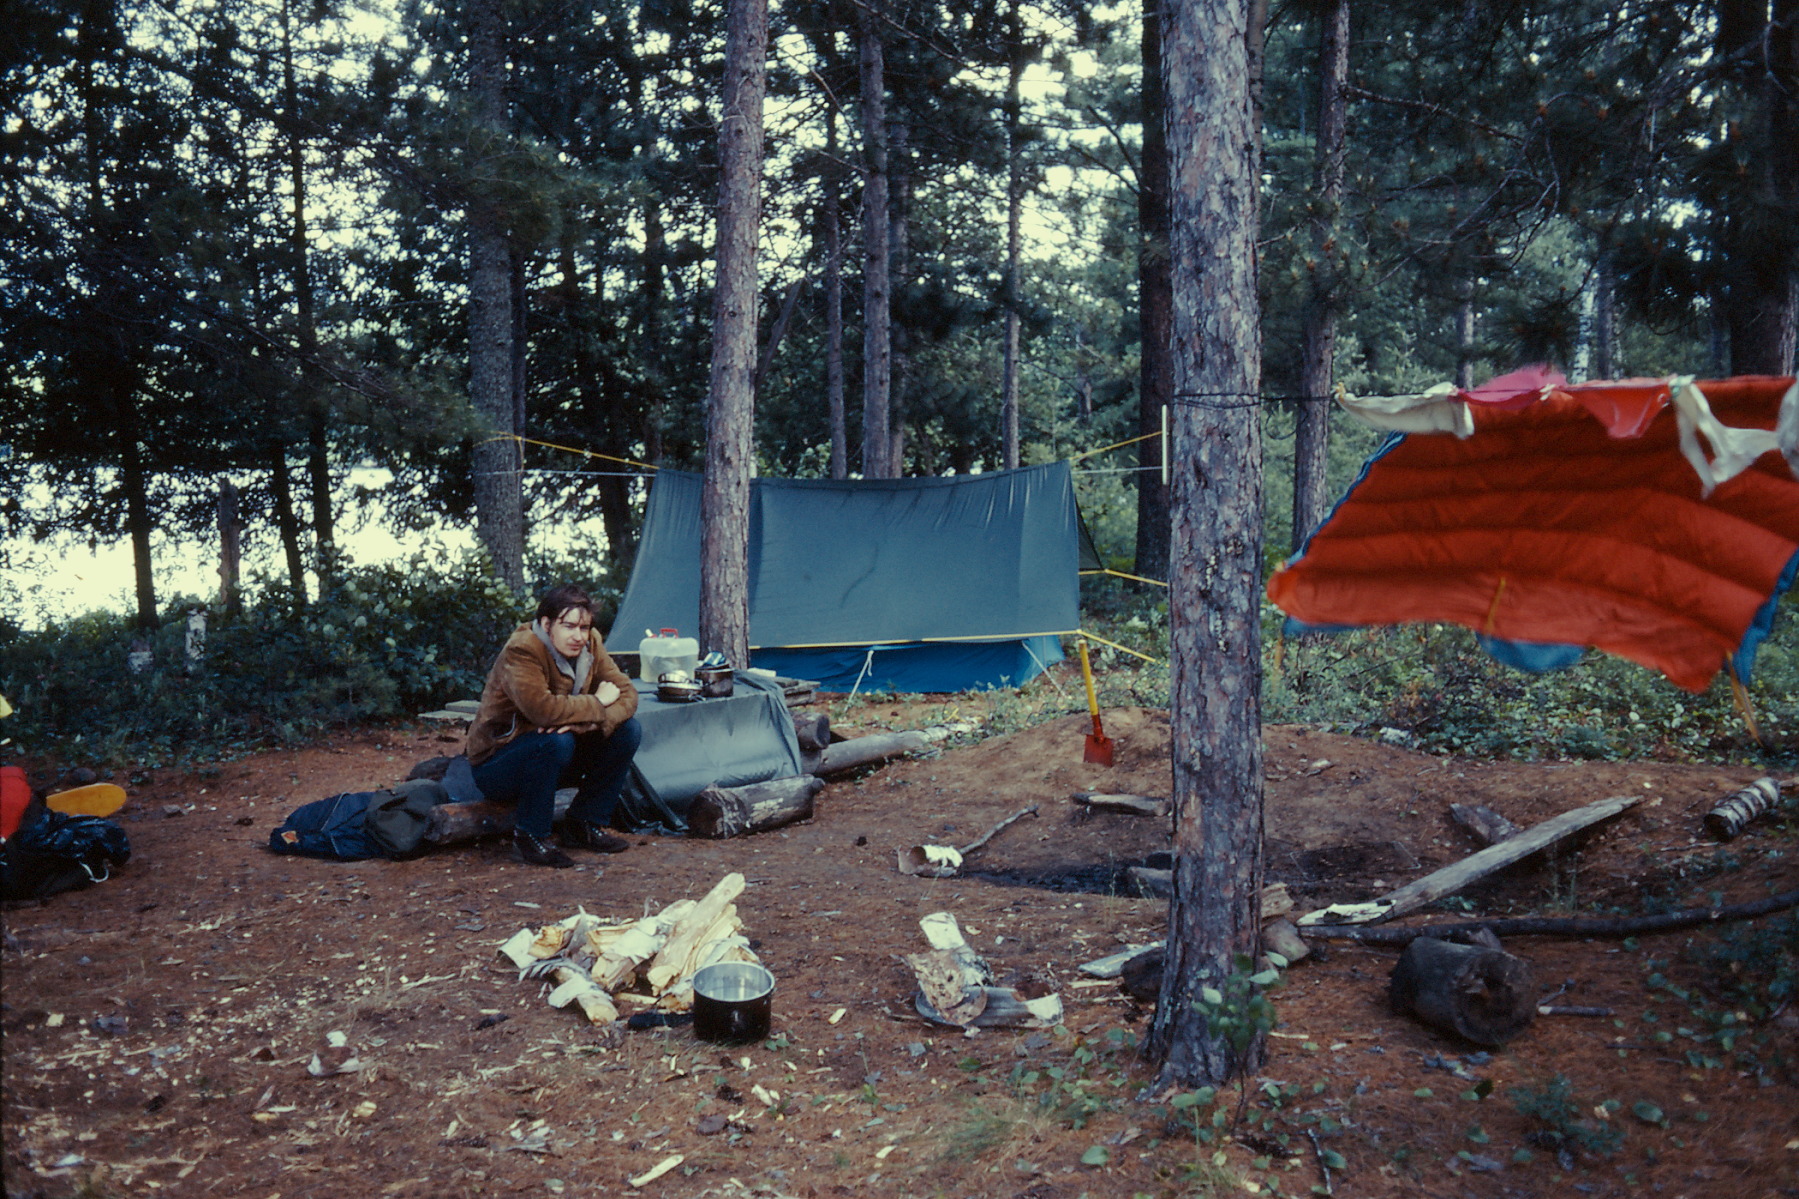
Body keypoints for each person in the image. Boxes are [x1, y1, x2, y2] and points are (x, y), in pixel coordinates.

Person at [465, 585, 642, 868]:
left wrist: (585, 724)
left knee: (627, 731)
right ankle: (530, 837)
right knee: (555, 741)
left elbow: (628, 694)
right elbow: (543, 710)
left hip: (554, 756)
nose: (578, 636)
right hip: (498, 763)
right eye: (568, 626)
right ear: (547, 624)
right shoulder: (523, 649)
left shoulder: (591, 643)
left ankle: (584, 823)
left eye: (584, 627)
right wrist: (598, 702)